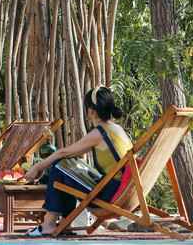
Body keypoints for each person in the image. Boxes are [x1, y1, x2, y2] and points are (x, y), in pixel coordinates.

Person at [23, 86, 132, 236]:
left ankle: (49, 223)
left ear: (91, 111)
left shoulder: (99, 133)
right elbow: (70, 154)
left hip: (109, 194)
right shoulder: (117, 129)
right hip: (123, 191)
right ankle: (65, 221)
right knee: (64, 165)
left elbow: (63, 152)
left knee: (58, 166)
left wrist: (38, 167)